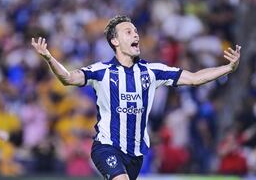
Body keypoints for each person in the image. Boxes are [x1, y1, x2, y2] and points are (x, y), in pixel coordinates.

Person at [31, 15, 241, 180]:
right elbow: (68, 78)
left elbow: (194, 78)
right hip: (106, 146)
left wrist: (228, 68)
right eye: (128, 32)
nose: (136, 35)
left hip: (136, 154)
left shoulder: (152, 71)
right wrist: (49, 58)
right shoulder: (101, 71)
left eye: (136, 31)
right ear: (115, 41)